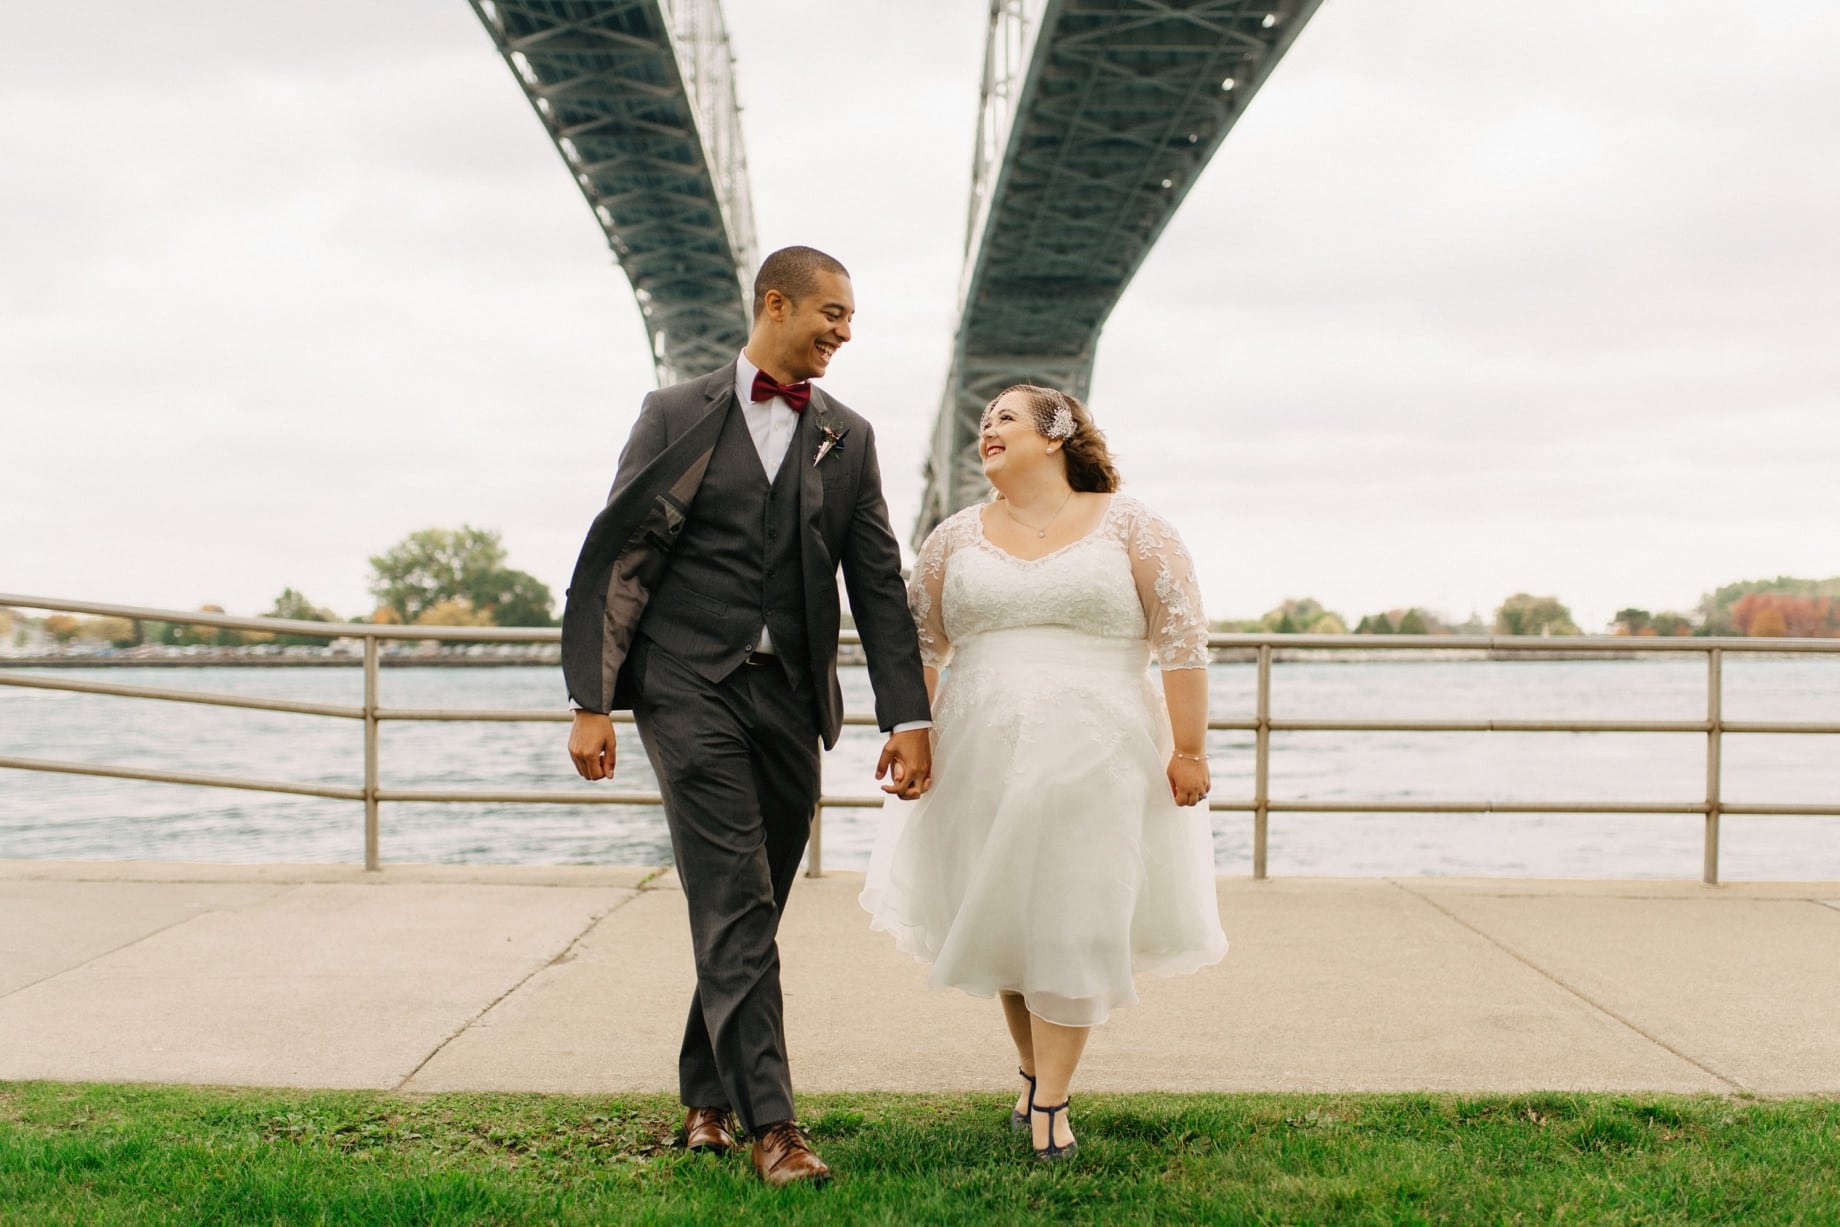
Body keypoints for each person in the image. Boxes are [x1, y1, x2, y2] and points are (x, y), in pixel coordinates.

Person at [561, 246, 933, 1187]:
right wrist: (591, 701)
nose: (846, 333)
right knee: (734, 896)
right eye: (833, 314)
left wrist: (908, 715)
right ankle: (777, 1128)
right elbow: (621, 552)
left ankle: (704, 1095)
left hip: (789, 696)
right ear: (777, 303)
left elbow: (878, 584)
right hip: (688, 684)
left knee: (750, 904)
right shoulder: (673, 412)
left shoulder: (846, 434)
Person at [860, 383, 1227, 1161]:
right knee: (1011, 915)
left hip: (1101, 752)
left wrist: (1188, 747)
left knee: (1077, 914)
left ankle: (1052, 1101)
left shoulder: (1132, 524)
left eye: (1006, 418)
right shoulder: (953, 537)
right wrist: (912, 733)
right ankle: (1031, 1074)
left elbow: (1182, 638)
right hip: (982, 753)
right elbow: (920, 645)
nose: (987, 429)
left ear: (1057, 433)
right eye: (983, 421)